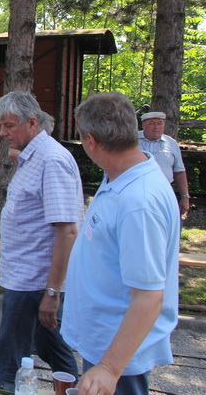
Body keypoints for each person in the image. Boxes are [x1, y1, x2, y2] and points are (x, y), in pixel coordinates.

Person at [62, 93, 179, 395]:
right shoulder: (119, 175)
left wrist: (110, 368)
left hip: (117, 353)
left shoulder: (138, 202)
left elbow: (149, 297)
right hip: (104, 341)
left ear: (91, 141)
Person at [0, 91, 81, 391]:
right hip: (25, 277)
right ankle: (77, 387)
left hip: (33, 282)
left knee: (6, 359)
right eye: (1, 125)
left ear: (32, 122)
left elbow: (67, 231)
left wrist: (52, 293)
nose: (2, 133)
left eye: (9, 125)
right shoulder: (34, 155)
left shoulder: (52, 160)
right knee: (50, 344)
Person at [138, 111, 190, 216]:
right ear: (143, 125)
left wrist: (185, 197)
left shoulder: (171, 142)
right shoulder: (131, 141)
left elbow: (179, 171)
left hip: (163, 192)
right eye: (152, 123)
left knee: (167, 223)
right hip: (137, 192)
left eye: (160, 123)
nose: (156, 127)